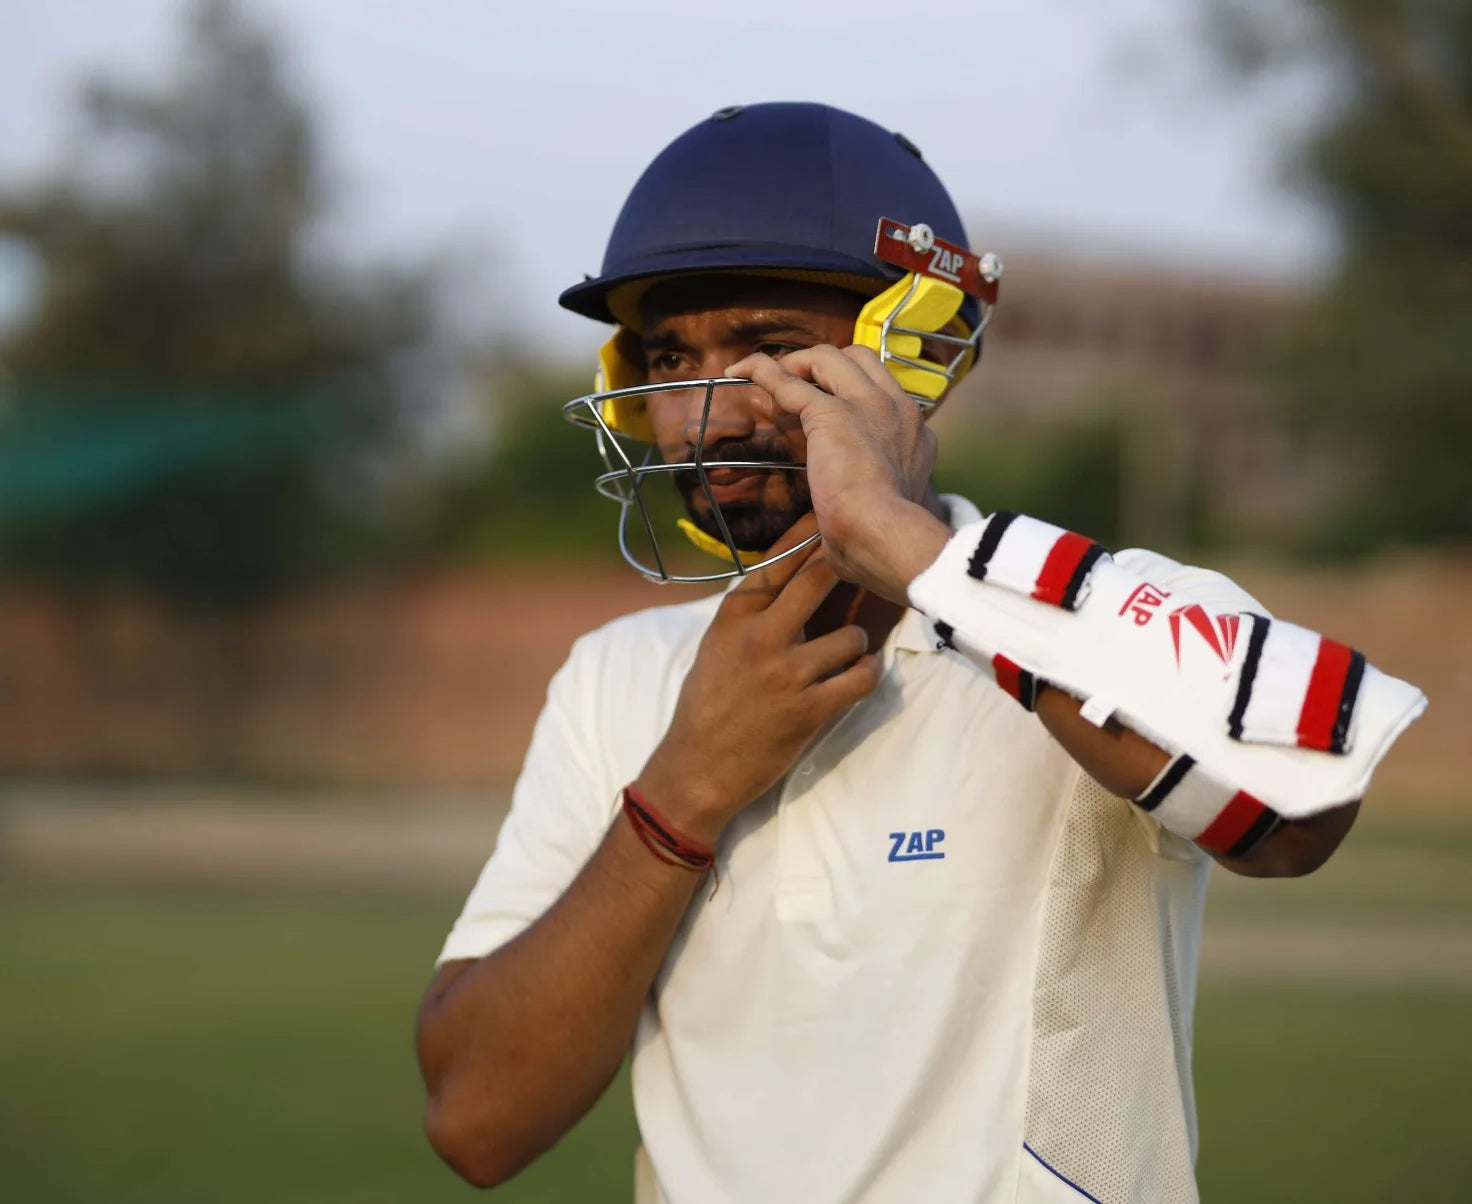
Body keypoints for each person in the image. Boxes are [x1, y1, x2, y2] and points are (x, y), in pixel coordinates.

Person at [416, 103, 1425, 1204]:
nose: (701, 414)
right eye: (668, 355)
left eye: (768, 347)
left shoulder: (1093, 627)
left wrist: (911, 548)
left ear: (921, 347)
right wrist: (683, 790)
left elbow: (1299, 814)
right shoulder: (619, 676)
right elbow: (478, 1119)